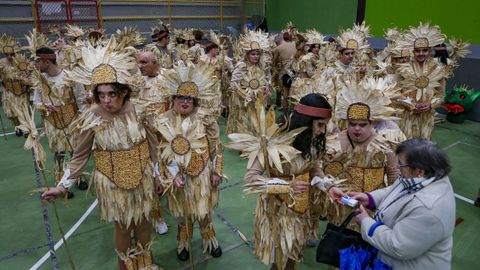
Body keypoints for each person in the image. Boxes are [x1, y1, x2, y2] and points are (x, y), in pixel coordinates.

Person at [41, 38, 162, 270]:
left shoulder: (139, 110)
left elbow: (153, 146)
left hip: (142, 177)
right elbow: (79, 156)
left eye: (112, 94)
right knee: (123, 226)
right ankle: (126, 266)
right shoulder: (92, 115)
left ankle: (146, 264)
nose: (106, 100)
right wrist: (63, 186)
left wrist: (158, 174)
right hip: (112, 182)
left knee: (143, 222)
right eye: (101, 94)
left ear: (124, 92)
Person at [330, 139, 455, 269]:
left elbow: (398, 246)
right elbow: (397, 189)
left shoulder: (429, 209)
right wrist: (370, 198)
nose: (397, 167)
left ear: (420, 171)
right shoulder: (422, 179)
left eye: (401, 164)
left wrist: (366, 222)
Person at [239, 93, 332, 270]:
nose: (323, 131)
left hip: (302, 209)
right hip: (277, 211)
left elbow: (313, 167)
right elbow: (250, 180)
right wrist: (286, 186)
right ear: (305, 121)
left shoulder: (312, 141)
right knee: (278, 258)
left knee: (292, 255)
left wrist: (325, 184)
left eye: (325, 126)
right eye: (320, 125)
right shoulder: (271, 142)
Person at [152, 61, 224, 261]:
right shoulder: (162, 120)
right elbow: (160, 154)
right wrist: (170, 176)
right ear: (173, 98)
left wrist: (216, 171)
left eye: (190, 98)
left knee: (204, 212)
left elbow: (216, 146)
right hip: (177, 177)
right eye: (181, 97)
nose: (185, 102)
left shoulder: (205, 118)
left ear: (196, 100)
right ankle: (183, 241)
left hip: (202, 174)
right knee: (182, 215)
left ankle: (210, 239)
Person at [313, 78, 400, 229]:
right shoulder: (332, 143)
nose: (357, 129)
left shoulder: (385, 144)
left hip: (371, 212)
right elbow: (317, 168)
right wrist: (329, 188)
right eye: (352, 124)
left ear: (372, 123)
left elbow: (394, 176)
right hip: (340, 211)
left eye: (363, 125)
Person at [32, 47, 86, 195]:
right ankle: (60, 184)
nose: (35, 64)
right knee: (58, 153)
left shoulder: (70, 77)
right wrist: (44, 106)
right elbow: (36, 101)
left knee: (74, 151)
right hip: (52, 123)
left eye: (37, 61)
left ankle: (79, 177)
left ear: (47, 61)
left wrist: (82, 121)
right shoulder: (39, 80)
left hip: (72, 121)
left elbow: (81, 100)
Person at [135, 51, 170, 235]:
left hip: (168, 139)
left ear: (155, 62)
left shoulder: (169, 77)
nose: (139, 66)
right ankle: (157, 215)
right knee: (151, 178)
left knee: (171, 174)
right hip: (146, 140)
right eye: (138, 62)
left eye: (143, 62)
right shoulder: (136, 83)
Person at [395, 22, 448, 140]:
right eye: (417, 50)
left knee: (423, 147)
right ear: (412, 51)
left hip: (427, 117)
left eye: (424, 50)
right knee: (406, 145)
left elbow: (441, 94)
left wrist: (430, 104)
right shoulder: (402, 68)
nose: (421, 53)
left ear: (430, 50)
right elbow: (396, 92)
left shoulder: (438, 69)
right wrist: (411, 105)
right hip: (407, 116)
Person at [228, 29, 271, 134]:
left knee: (256, 122)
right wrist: (245, 95)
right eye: (253, 54)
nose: (256, 56)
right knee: (245, 122)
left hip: (258, 100)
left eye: (257, 54)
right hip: (243, 102)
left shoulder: (261, 66)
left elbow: (266, 79)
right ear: (247, 55)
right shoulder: (241, 66)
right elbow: (233, 83)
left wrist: (267, 87)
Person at [0, 34, 31, 136]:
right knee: (11, 111)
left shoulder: (21, 61)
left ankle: (26, 128)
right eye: (7, 54)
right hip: (8, 89)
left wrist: (25, 85)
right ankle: (17, 127)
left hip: (21, 89)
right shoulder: (1, 63)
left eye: (12, 54)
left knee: (23, 109)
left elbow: (28, 75)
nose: (9, 56)